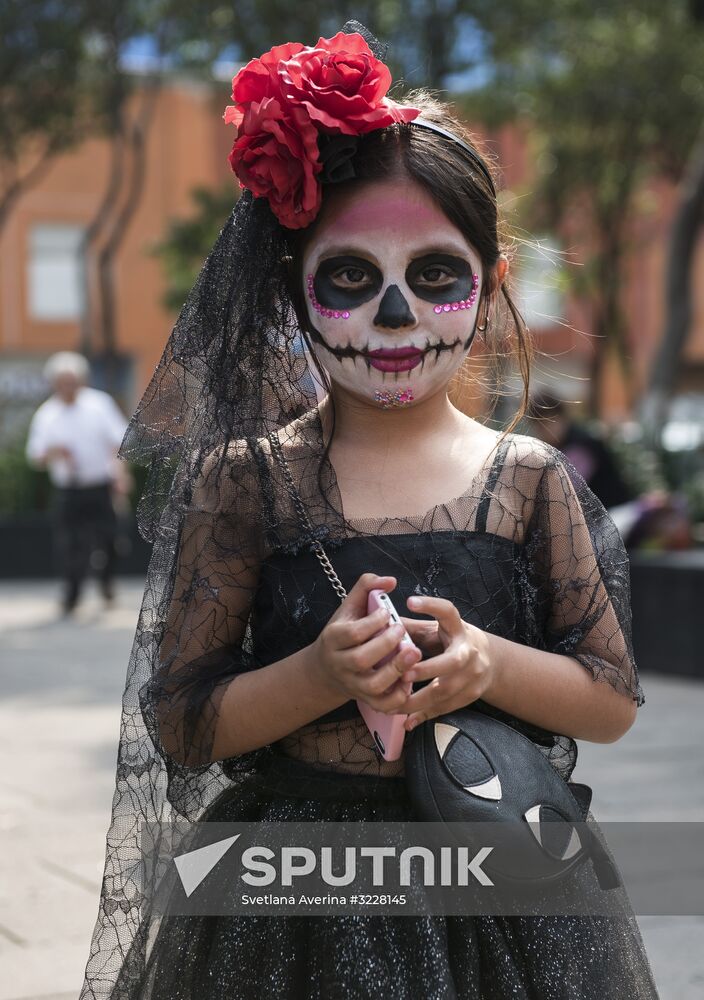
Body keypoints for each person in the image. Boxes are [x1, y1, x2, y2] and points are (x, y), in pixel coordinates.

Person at [79, 23, 660, 1000]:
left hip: (502, 893)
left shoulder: (527, 480)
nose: (394, 316)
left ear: (489, 282)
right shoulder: (243, 483)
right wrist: (312, 675)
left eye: (432, 274)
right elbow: (179, 722)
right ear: (294, 290)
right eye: (350, 276)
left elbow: (607, 699)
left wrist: (487, 662)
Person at [25, 351, 129, 614]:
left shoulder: (99, 404)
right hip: (68, 489)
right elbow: (35, 456)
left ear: (81, 380)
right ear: (54, 383)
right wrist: (55, 452)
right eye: (62, 382)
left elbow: (119, 441)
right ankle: (72, 596)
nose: (68, 388)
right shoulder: (47, 414)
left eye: (72, 381)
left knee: (109, 539)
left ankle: (106, 583)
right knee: (71, 544)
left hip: (100, 485)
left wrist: (120, 472)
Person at [528, 391, 636, 510]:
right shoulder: (559, 447)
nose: (544, 429)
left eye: (547, 422)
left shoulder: (581, 445)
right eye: (538, 425)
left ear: (561, 418)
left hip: (611, 513)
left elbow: (566, 490)